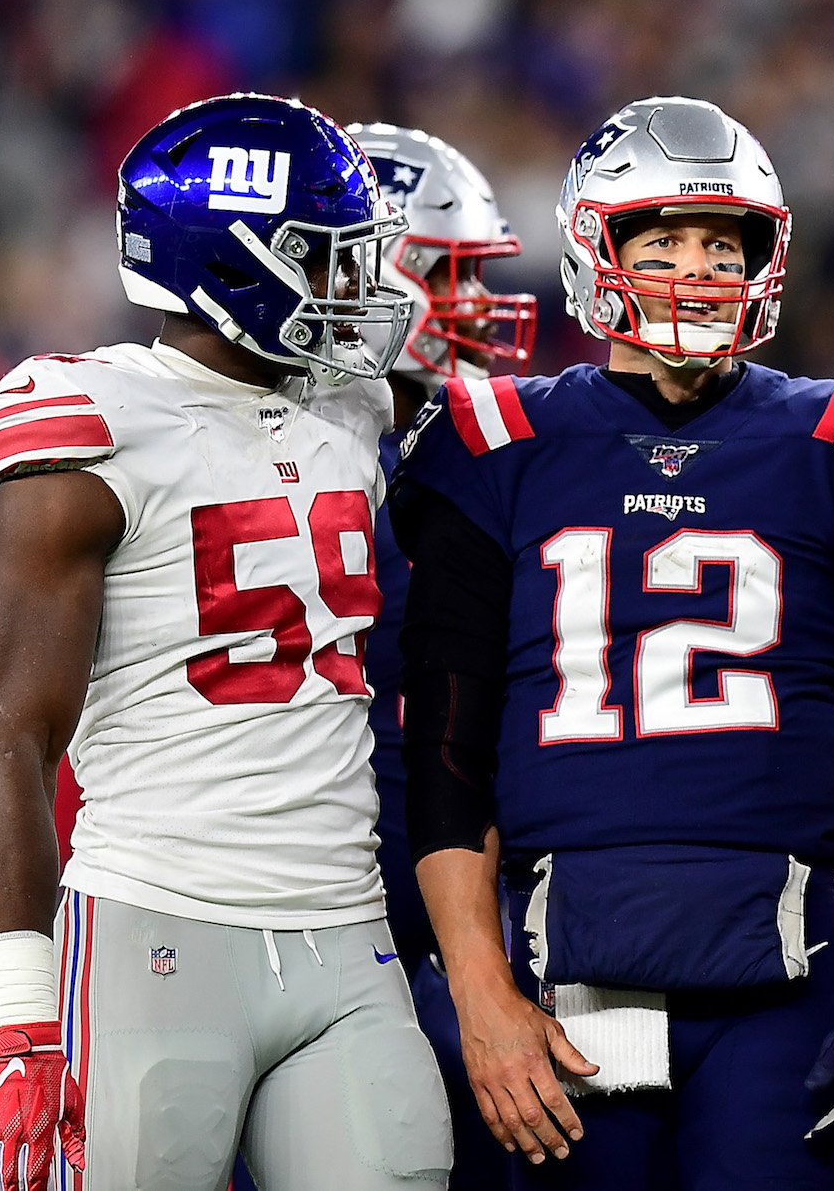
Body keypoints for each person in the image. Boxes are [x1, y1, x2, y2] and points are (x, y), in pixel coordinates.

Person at [391, 96, 834, 1190]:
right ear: (597, 249)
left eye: (720, 241)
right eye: (663, 241)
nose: (697, 267)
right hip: (572, 959)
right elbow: (448, 757)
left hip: (779, 960)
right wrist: (475, 984)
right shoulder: (493, 442)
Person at [0, 93, 454, 1191]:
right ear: (229, 263)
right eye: (323, 259)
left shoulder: (356, 403)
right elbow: (13, 739)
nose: (355, 289)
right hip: (155, 928)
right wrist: (20, 1023)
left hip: (348, 933)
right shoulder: (92, 422)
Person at [349, 119, 538, 1191]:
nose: (476, 307)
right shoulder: (357, 480)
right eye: (448, 276)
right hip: (354, 916)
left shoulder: (445, 461)